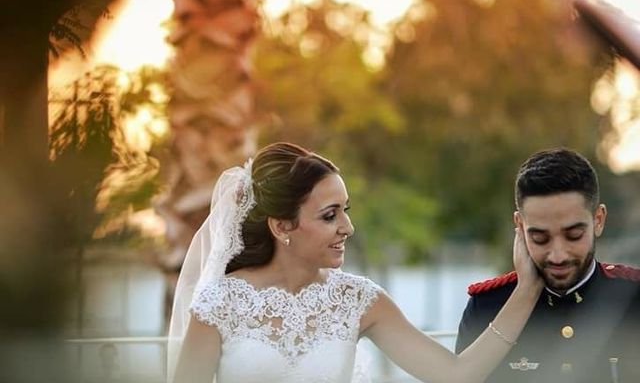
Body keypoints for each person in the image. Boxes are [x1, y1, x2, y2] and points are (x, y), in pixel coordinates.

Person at [169, 142, 543, 383]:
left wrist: (527, 288)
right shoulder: (221, 303)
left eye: (344, 211)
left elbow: (457, 374)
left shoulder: (358, 300)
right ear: (282, 226)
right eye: (329, 215)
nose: (348, 227)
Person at [456, 148, 640, 383]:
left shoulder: (634, 298)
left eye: (573, 235)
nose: (558, 255)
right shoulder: (487, 308)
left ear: (598, 220)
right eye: (540, 238)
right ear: (520, 226)